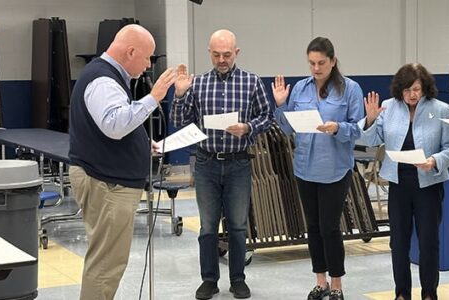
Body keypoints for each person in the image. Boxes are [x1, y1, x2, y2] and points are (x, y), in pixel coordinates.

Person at [67, 24, 177, 299]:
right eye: (147, 57)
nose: (148, 64)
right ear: (130, 51)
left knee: (107, 261)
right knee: (106, 265)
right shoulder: (104, 80)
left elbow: (116, 123)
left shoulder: (107, 76)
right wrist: (154, 98)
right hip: (107, 185)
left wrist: (140, 143)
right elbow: (114, 124)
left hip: (108, 180)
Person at [169, 29, 274, 300]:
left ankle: (238, 279)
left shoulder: (251, 82)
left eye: (226, 54)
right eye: (216, 54)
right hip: (206, 164)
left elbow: (267, 117)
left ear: (236, 53)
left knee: (238, 226)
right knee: (207, 226)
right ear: (210, 53)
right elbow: (179, 121)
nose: (221, 59)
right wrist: (180, 94)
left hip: (239, 163)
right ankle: (209, 280)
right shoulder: (199, 83)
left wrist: (248, 127)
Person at [272, 37, 364, 300]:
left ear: (333, 61)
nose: (316, 68)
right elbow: (288, 128)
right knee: (312, 227)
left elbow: (358, 129)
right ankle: (320, 281)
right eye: (311, 63)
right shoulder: (300, 89)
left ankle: (336, 285)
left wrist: (338, 128)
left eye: (321, 62)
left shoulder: (350, 89)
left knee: (330, 228)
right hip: (304, 168)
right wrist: (281, 105)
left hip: (335, 169)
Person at [357, 63, 449, 300]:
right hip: (398, 183)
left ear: (425, 88)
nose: (412, 94)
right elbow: (369, 140)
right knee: (399, 243)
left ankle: (429, 294)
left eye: (416, 89)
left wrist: (434, 161)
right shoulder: (389, 108)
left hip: (429, 184)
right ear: (399, 90)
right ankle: (402, 293)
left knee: (428, 243)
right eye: (407, 90)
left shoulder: (441, 109)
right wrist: (371, 120)